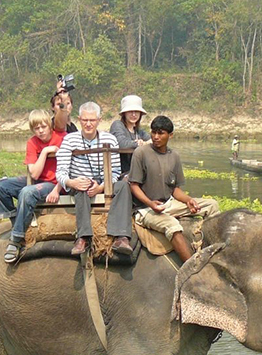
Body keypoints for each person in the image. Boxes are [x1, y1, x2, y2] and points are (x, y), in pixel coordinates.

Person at [129, 115, 220, 262]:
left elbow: (174, 189)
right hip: (146, 209)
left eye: (161, 133)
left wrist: (189, 200)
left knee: (212, 205)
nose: (156, 137)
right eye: (154, 132)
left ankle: (215, 251)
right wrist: (150, 203)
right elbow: (134, 186)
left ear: (170, 135)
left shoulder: (174, 156)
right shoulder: (141, 153)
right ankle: (192, 268)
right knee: (172, 225)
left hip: (169, 204)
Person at [55, 102, 133, 255]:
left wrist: (102, 187)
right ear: (79, 119)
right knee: (82, 185)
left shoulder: (109, 139)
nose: (88, 124)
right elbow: (61, 172)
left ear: (99, 120)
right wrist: (72, 182)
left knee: (123, 186)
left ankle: (121, 236)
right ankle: (83, 237)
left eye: (92, 120)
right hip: (79, 181)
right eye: (85, 120)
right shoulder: (70, 140)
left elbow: (116, 171)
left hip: (103, 182)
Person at [0, 109, 64, 263]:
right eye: (36, 128)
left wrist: (58, 188)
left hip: (54, 183)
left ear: (50, 126)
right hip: (37, 181)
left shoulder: (62, 138)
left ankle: (16, 240)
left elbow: (71, 168)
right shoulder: (32, 142)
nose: (40, 131)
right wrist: (44, 152)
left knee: (27, 192)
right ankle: (16, 223)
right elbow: (35, 173)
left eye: (43, 127)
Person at [109, 95, 150, 176]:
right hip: (120, 174)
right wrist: (138, 144)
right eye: (130, 111)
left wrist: (145, 143)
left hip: (137, 172)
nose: (134, 114)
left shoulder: (138, 131)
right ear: (124, 113)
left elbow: (153, 140)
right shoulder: (117, 125)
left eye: (136, 111)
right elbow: (121, 143)